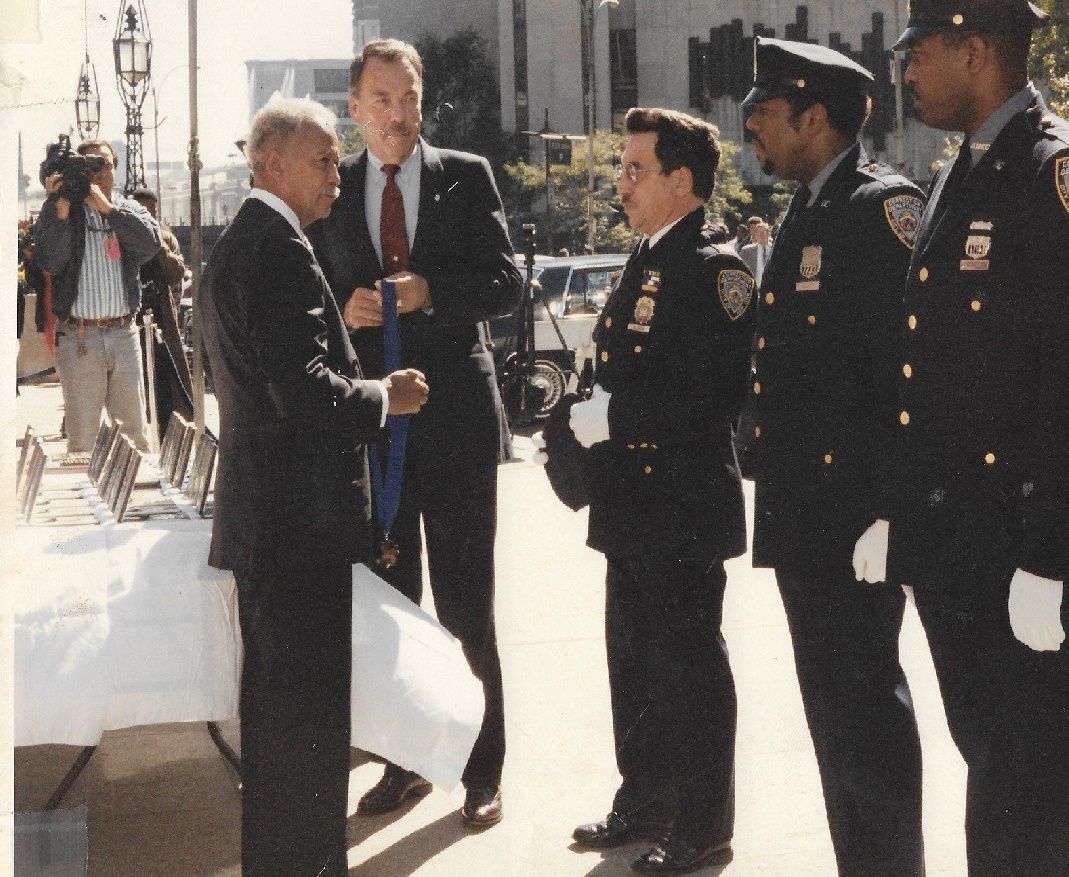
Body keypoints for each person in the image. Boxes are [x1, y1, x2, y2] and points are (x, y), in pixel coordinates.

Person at [853, 2, 1069, 874]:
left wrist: (1050, 557)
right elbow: (926, 369)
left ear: (975, 50)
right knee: (994, 764)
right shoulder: (956, 171)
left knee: (1041, 769)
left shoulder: (1062, 174)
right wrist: (901, 512)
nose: (907, 72)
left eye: (920, 53)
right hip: (956, 546)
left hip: (1018, 549)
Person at [197, 97, 429, 876]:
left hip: (270, 523)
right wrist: (382, 395)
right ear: (272, 164)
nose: (339, 173)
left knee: (276, 729)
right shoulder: (279, 248)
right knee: (306, 728)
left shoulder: (238, 244)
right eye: (324, 158)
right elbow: (302, 390)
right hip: (299, 529)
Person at [310, 38, 523, 825]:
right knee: (393, 606)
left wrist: (433, 289)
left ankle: (482, 771)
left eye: (409, 100)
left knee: (469, 605)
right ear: (356, 107)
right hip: (378, 434)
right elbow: (315, 299)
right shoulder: (334, 188)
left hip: (458, 426)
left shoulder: (465, 177)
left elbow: (506, 282)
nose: (398, 117)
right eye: (382, 101)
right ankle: (403, 765)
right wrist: (346, 307)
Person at [741, 37, 926, 876]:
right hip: (806, 517)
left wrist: (893, 506)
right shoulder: (808, 208)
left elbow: (903, 372)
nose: (750, 129)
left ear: (814, 118)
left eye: (765, 113)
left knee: (867, 723)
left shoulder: (878, 208)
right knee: (833, 721)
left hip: (854, 521)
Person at [561, 107, 755, 875]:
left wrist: (616, 415)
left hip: (681, 504)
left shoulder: (717, 268)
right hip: (630, 506)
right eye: (622, 167)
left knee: (689, 667)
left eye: (636, 169)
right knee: (633, 662)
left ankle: (704, 824)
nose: (622, 182)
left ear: (682, 181)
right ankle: (646, 798)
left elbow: (714, 395)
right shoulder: (645, 257)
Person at [32, 138, 159, 454]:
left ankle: (134, 501)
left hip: (123, 334)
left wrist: (108, 209)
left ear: (115, 168)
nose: (97, 172)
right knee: (84, 439)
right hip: (80, 338)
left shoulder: (128, 208)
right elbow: (49, 261)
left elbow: (149, 245)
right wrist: (58, 210)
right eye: (89, 165)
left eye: (104, 164)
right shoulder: (61, 210)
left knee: (134, 436)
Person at [131, 187, 194, 426]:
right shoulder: (123, 233)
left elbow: (176, 274)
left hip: (159, 314)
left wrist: (157, 244)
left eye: (151, 212)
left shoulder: (165, 238)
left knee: (166, 377)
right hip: (129, 315)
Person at [736, 216, 772, 285]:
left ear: (768, 233)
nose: (761, 235)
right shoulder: (746, 251)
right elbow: (740, 271)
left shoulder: (775, 250)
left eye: (763, 232)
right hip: (753, 288)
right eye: (758, 233)